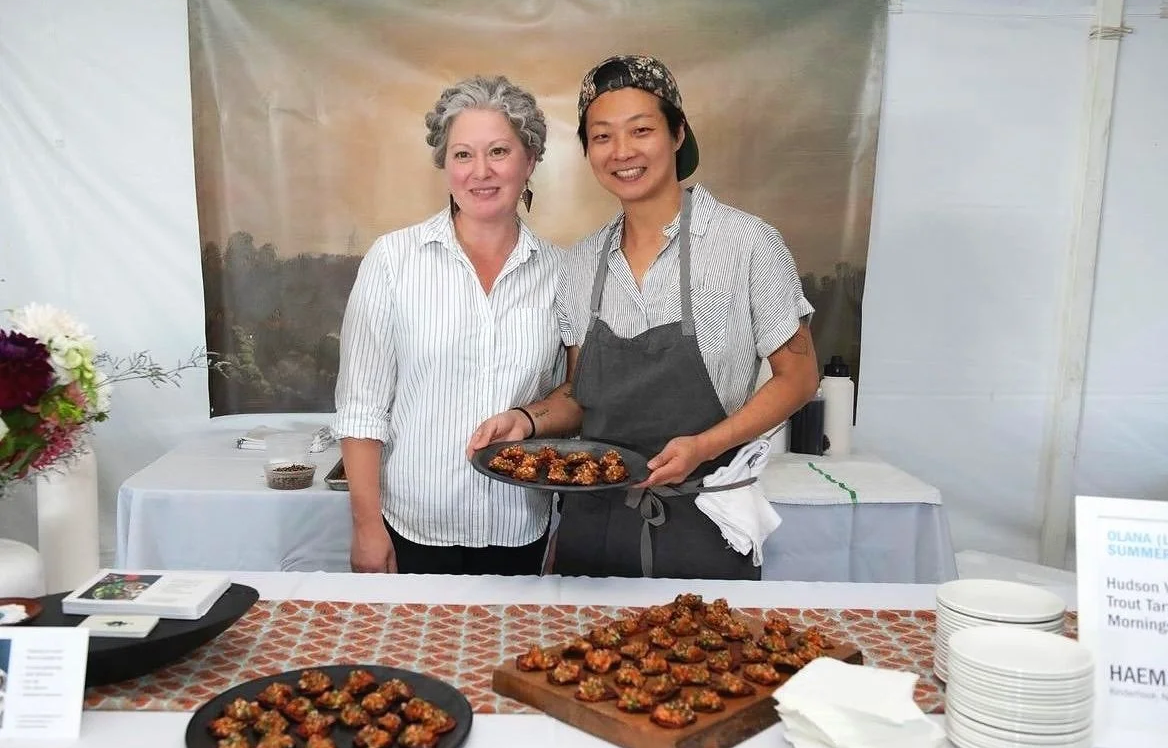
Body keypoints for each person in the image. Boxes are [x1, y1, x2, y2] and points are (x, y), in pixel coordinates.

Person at [468, 55, 819, 580]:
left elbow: (799, 377)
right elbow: (579, 395)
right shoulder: (583, 262)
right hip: (591, 526)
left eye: (641, 130)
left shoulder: (748, 244)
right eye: (602, 136)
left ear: (677, 133)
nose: (623, 152)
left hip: (702, 519)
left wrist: (705, 445)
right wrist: (527, 419)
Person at [334, 75, 564, 576]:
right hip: (412, 529)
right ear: (444, 165)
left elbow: (573, 397)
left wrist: (527, 417)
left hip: (521, 528)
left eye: (499, 151)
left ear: (530, 160)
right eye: (463, 154)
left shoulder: (562, 272)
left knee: (516, 657)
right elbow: (361, 407)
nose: (481, 171)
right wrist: (367, 528)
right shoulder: (392, 260)